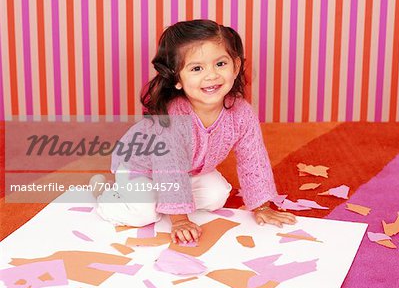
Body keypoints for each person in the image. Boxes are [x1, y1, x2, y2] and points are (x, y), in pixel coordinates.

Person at [90, 19, 296, 244]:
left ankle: (164, 200)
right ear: (177, 78)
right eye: (197, 68)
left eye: (220, 64)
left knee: (217, 195)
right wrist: (179, 219)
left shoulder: (241, 113)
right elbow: (170, 167)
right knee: (144, 213)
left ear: (236, 66)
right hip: (140, 168)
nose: (211, 76)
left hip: (189, 171)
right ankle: (105, 195)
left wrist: (261, 206)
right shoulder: (173, 119)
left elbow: (253, 158)